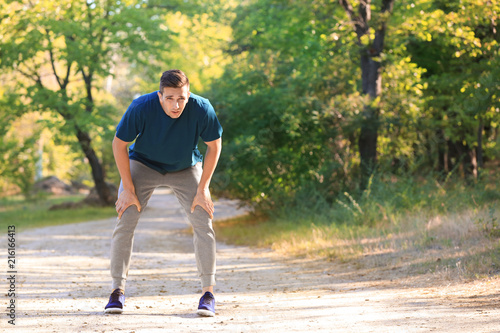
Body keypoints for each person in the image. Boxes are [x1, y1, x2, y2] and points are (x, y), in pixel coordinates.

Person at [104, 69, 222, 317]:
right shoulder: (141, 107)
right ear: (160, 96)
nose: (176, 104)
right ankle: (117, 291)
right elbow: (119, 144)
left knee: (203, 219)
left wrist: (204, 189)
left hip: (185, 166)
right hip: (144, 163)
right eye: (170, 98)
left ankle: (208, 294)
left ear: (188, 94)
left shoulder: (202, 108)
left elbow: (214, 145)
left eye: (181, 98)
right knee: (125, 219)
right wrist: (127, 187)